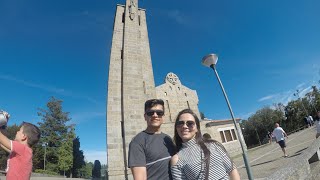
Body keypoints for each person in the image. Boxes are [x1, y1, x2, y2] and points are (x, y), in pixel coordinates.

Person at [171, 109, 240, 180]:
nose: (184, 126)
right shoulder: (177, 159)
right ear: (176, 128)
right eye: (180, 123)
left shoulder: (214, 145)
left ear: (197, 128)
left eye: (190, 123)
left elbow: (232, 169)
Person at [128, 99, 176, 180]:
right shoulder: (137, 142)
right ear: (145, 116)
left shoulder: (167, 138)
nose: (155, 115)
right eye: (150, 113)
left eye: (159, 113)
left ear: (163, 116)